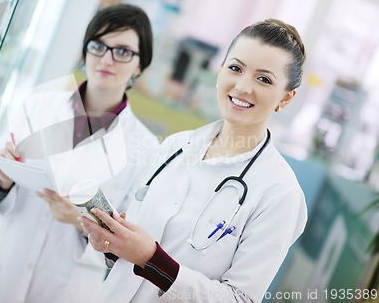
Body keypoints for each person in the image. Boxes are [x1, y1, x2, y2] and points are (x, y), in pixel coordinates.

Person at [82, 19, 308, 303]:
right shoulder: (177, 146)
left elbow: (240, 299)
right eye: (235, 68)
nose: (242, 87)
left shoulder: (280, 193)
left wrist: (151, 259)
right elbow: (133, 262)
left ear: (285, 98)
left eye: (264, 79)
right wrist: (114, 247)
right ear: (220, 71)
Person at [0, 3, 159, 303]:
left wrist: (79, 221)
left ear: (140, 66)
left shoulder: (146, 148)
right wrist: (4, 182)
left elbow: (131, 243)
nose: (107, 58)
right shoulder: (36, 106)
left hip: (64, 287)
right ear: (85, 50)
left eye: (123, 51)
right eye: (98, 45)